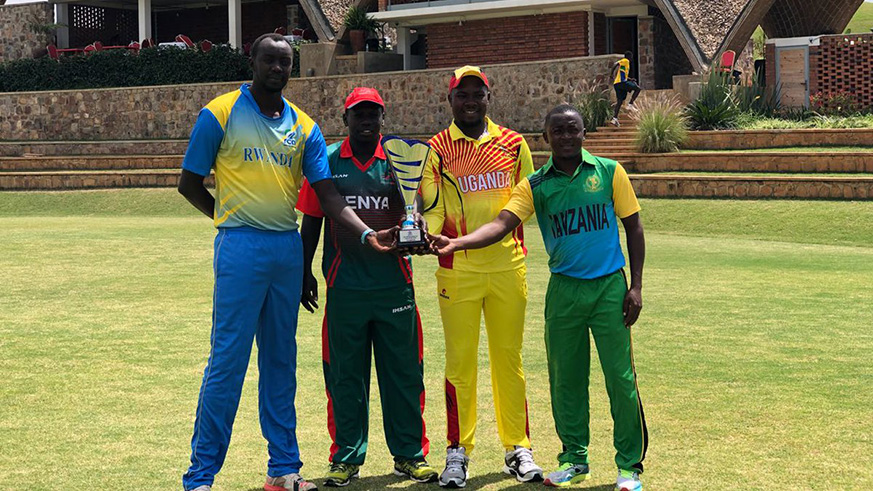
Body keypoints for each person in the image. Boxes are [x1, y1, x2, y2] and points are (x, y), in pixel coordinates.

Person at [177, 34, 395, 491]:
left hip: (285, 250)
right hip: (239, 247)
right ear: (252, 61)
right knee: (228, 362)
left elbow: (328, 195)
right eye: (269, 60)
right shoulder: (218, 113)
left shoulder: (305, 127)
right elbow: (189, 183)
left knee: (281, 362)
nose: (277, 68)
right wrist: (227, 216)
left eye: (285, 62)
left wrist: (367, 232)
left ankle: (283, 471)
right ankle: (200, 477)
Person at [432, 104, 649, 491]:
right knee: (566, 379)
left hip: (608, 289)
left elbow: (633, 226)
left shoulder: (609, 172)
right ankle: (574, 459)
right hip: (563, 289)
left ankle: (629, 467)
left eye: (574, 130)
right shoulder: (535, 184)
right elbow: (501, 225)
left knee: (619, 377)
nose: (567, 137)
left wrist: (635, 286)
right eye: (558, 131)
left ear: (585, 134)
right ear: (546, 138)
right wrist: (457, 242)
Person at [296, 87, 437, 487]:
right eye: (359, 114)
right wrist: (304, 271)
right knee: (344, 376)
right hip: (345, 285)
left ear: (382, 118)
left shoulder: (398, 160)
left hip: (394, 285)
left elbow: (418, 210)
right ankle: (345, 458)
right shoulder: (326, 161)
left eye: (374, 113)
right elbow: (311, 220)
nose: (367, 120)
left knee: (404, 374)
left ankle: (410, 455)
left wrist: (419, 224)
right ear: (346, 119)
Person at [420, 65, 543, 488]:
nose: (470, 100)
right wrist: (428, 234)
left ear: (489, 97)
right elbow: (433, 207)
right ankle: (458, 451)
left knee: (510, 361)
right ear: (450, 100)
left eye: (478, 93)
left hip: (508, 265)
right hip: (457, 271)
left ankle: (518, 447)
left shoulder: (513, 144)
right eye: (462, 94)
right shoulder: (437, 148)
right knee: (460, 365)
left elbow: (525, 201)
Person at [610, 50, 642, 127]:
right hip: (621, 83)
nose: (631, 59)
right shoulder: (625, 60)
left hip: (617, 84)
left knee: (620, 101)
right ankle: (630, 104)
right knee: (638, 89)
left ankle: (614, 119)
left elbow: (623, 74)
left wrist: (630, 79)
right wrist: (611, 75)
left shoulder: (625, 65)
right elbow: (615, 64)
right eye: (631, 57)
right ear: (629, 57)